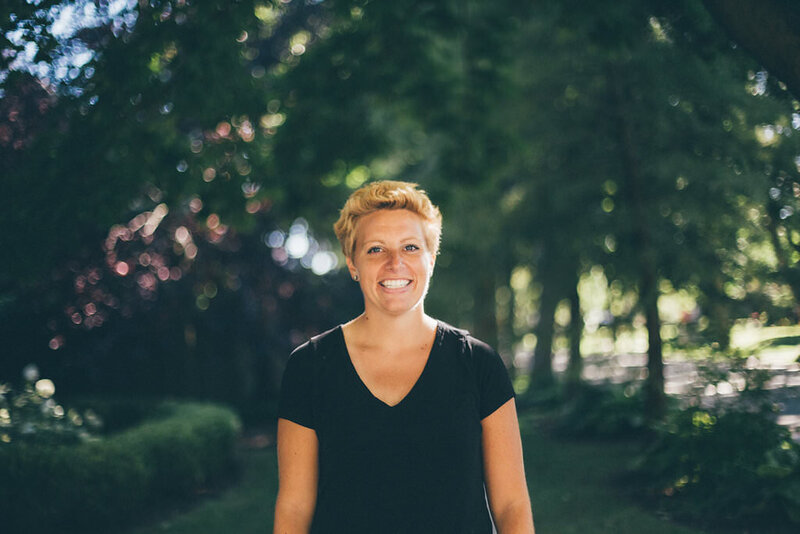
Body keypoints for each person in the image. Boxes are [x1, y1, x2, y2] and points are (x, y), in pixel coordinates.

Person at [273, 180, 535, 534]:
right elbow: (293, 509)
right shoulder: (309, 368)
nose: (395, 263)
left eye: (410, 247)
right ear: (352, 263)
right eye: (376, 250)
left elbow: (511, 506)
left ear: (431, 258)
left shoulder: (477, 365)